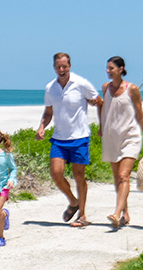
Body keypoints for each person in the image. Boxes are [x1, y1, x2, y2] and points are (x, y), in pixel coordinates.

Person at [36, 52, 102, 225]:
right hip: (59, 138)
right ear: (54, 67)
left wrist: (94, 103)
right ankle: (74, 201)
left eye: (64, 66)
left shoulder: (81, 83)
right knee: (56, 173)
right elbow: (48, 112)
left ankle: (83, 216)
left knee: (79, 176)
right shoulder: (50, 87)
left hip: (79, 137)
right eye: (58, 66)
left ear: (70, 66)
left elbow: (98, 100)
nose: (61, 69)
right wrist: (42, 127)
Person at [99, 56, 143, 229]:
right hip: (111, 138)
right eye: (107, 68)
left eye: (111, 68)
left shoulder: (132, 89)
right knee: (118, 178)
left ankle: (116, 213)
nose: (108, 71)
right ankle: (125, 213)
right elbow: (104, 109)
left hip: (130, 137)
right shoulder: (106, 87)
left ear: (121, 69)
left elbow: (140, 115)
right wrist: (101, 127)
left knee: (124, 176)